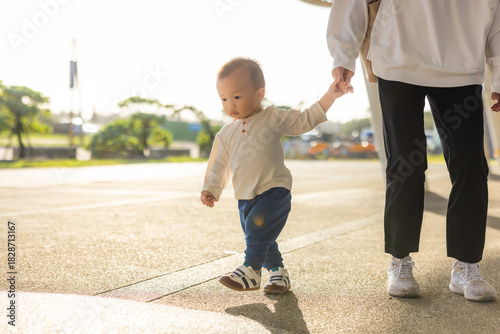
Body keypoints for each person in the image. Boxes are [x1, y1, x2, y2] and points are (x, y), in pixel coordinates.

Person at [327, 0, 499, 302]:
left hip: (462, 64)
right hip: (398, 57)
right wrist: (344, 53)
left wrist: (498, 73)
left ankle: (466, 265)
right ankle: (400, 260)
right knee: (405, 165)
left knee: (471, 165)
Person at [201, 57, 348, 294]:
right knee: (260, 238)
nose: (231, 104)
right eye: (224, 98)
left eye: (236, 97)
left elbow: (304, 120)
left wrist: (330, 96)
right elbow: (218, 164)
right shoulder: (225, 133)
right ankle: (279, 274)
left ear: (259, 94)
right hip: (245, 197)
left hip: (274, 191)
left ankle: (250, 271)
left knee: (257, 233)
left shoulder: (272, 118)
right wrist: (211, 188)